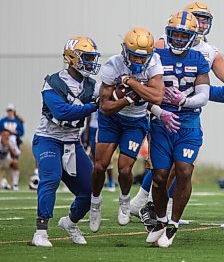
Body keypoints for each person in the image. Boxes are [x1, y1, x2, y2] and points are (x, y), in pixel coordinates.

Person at [130, 1, 224, 221]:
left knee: (183, 166)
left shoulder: (209, 51)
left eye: (205, 18)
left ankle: (159, 210)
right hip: (159, 110)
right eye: (198, 17)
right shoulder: (161, 45)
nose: (202, 22)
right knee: (161, 166)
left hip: (188, 113)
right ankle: (142, 202)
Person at [89, 27, 164, 232]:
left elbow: (156, 96)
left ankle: (124, 200)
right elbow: (104, 107)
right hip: (111, 120)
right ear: (125, 51)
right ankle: (95, 203)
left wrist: (130, 82)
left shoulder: (154, 64)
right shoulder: (113, 65)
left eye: (143, 57)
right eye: (134, 56)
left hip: (136, 121)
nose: (139, 62)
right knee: (99, 166)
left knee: (124, 168)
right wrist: (130, 97)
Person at [145, 10, 209, 248]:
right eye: (176, 34)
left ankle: (174, 224)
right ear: (168, 33)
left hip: (188, 122)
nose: (180, 39)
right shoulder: (155, 57)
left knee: (183, 171)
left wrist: (184, 101)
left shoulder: (199, 59)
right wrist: (159, 111)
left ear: (192, 36)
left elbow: (203, 96)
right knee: (160, 176)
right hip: (161, 122)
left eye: (185, 35)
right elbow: (143, 94)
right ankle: (161, 221)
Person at [31, 36, 101, 247]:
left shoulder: (91, 85)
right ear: (72, 58)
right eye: (86, 57)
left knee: (91, 190)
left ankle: (70, 222)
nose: (90, 62)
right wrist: (92, 107)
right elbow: (61, 112)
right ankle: (40, 232)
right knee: (51, 179)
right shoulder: (53, 82)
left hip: (72, 142)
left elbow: (109, 97)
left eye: (92, 57)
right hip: (48, 139)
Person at [0, 104, 24, 190]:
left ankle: (14, 184)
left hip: (6, 157)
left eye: (11, 110)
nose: (9, 112)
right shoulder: (3, 121)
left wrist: (12, 150)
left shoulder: (12, 140)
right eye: (8, 111)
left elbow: (21, 133)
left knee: (15, 163)